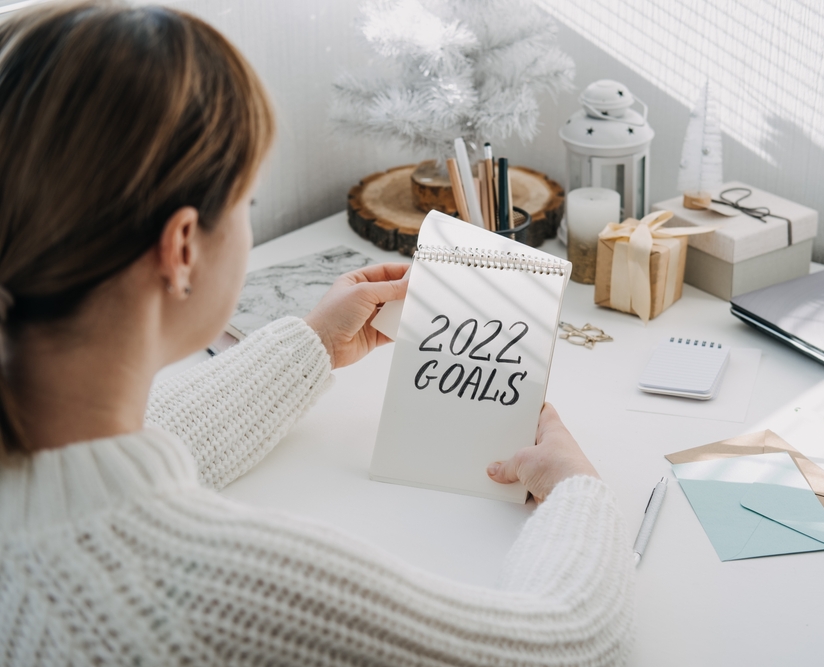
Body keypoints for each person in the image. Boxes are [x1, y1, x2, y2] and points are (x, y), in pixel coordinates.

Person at [0, 2, 635, 664]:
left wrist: (312, 347)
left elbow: (113, 457)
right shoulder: (200, 595)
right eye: (246, 203)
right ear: (182, 247)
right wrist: (576, 493)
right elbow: (564, 644)